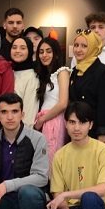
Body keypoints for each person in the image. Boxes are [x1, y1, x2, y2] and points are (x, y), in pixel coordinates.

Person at [69, 30, 105, 144]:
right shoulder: (75, 71)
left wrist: (103, 132)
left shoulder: (104, 72)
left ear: (94, 48)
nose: (78, 50)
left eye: (84, 46)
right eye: (76, 45)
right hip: (77, 130)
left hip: (95, 132)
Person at [31, 36, 70, 169]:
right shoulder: (45, 74)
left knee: (53, 162)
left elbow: (63, 103)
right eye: (41, 52)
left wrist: (42, 120)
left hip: (54, 120)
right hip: (44, 119)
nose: (44, 55)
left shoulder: (62, 72)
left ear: (56, 54)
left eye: (48, 51)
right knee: (43, 160)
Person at [9, 36, 38, 127]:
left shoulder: (31, 76)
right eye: (14, 47)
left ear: (29, 51)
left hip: (21, 129)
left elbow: (29, 111)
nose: (17, 51)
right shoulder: (9, 72)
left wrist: (24, 132)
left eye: (22, 48)